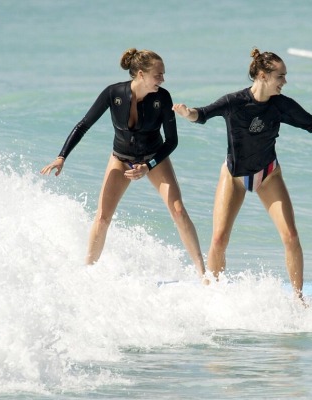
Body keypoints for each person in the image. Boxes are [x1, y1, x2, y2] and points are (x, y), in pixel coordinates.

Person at [172, 48, 312, 298]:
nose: (285, 81)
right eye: (280, 76)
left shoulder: (281, 106)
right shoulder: (233, 102)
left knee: (291, 236)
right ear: (262, 75)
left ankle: (298, 299)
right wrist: (187, 113)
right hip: (234, 177)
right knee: (218, 240)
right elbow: (202, 114)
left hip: (268, 174)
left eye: (284, 76)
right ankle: (213, 295)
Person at [41, 48, 206, 279]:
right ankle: (87, 274)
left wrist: (148, 166)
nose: (163, 79)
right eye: (158, 75)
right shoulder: (113, 93)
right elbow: (83, 125)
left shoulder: (163, 97)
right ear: (141, 74)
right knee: (102, 217)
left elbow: (172, 141)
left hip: (154, 159)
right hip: (121, 159)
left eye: (163, 74)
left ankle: (202, 273)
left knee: (178, 211)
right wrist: (62, 156)